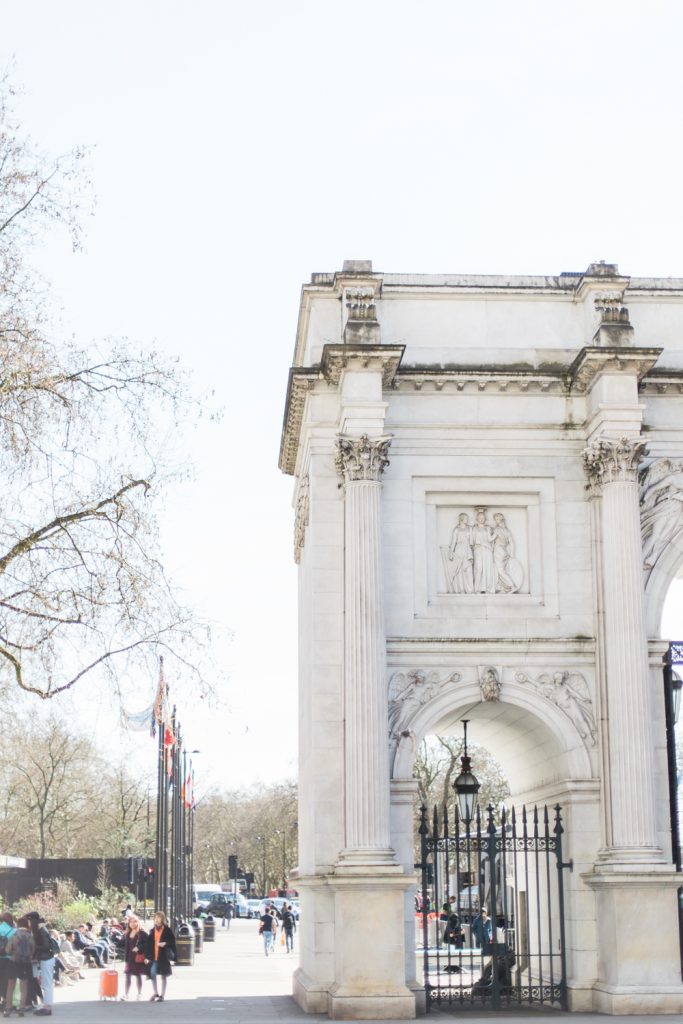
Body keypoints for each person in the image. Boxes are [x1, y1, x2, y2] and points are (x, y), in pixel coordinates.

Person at [4, 915, 34, 1018]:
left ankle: (8, 1009)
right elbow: (32, 950)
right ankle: (21, 1009)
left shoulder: (14, 936)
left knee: (10, 986)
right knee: (23, 986)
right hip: (25, 963)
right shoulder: (30, 936)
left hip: (13, 962)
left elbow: (7, 950)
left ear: (18, 924)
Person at [26, 912, 54, 1017]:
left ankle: (47, 1007)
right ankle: (46, 1005)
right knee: (46, 983)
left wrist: (35, 947)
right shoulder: (41, 930)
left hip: (46, 958)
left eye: (29, 921)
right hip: (46, 958)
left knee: (47, 983)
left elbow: (46, 946)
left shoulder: (42, 931)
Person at [144, 912, 176, 1002]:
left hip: (163, 957)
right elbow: (148, 945)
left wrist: (165, 943)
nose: (157, 919)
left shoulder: (167, 930)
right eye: (155, 918)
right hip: (154, 956)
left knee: (163, 975)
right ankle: (155, 993)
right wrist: (147, 957)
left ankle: (162, 995)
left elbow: (172, 941)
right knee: (152, 973)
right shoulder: (152, 931)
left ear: (162, 919)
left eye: (159, 918)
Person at [121, 914, 147, 1001]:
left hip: (138, 957)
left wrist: (139, 947)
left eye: (135, 921)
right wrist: (125, 960)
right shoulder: (128, 933)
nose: (132, 923)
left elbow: (148, 944)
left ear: (138, 922)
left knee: (138, 975)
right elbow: (126, 947)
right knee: (128, 975)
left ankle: (139, 993)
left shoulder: (142, 933)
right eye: (131, 921)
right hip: (129, 958)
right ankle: (126, 994)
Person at [0, 913, 15, 1012]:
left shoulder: (0, 928)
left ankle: (2, 1000)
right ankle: (8, 1001)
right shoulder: (14, 930)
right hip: (11, 958)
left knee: (1, 980)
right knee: (9, 981)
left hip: (0, 957)